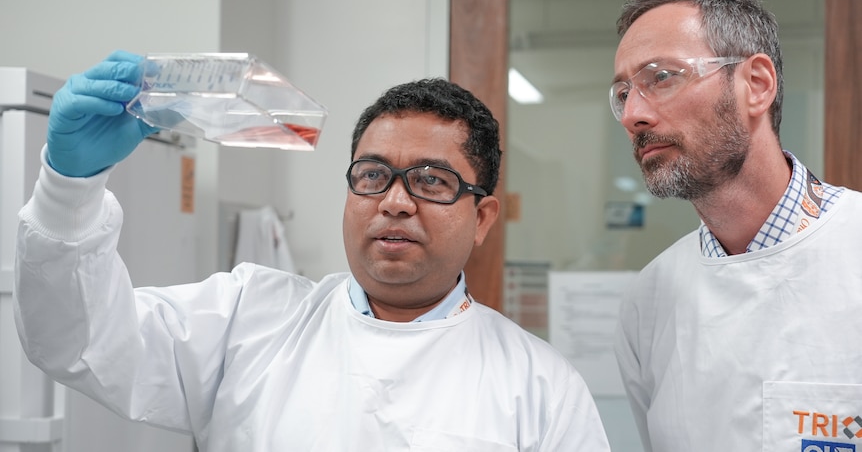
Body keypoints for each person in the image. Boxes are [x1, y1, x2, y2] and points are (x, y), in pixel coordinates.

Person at [14, 50, 611, 452]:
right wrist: (69, 187)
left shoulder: (540, 386)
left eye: (431, 181)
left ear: (481, 218)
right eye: (373, 175)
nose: (395, 203)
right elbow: (79, 342)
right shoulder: (249, 319)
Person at [610, 0, 862, 452]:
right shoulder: (649, 300)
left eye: (661, 77)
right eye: (623, 92)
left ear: (757, 85)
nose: (632, 115)